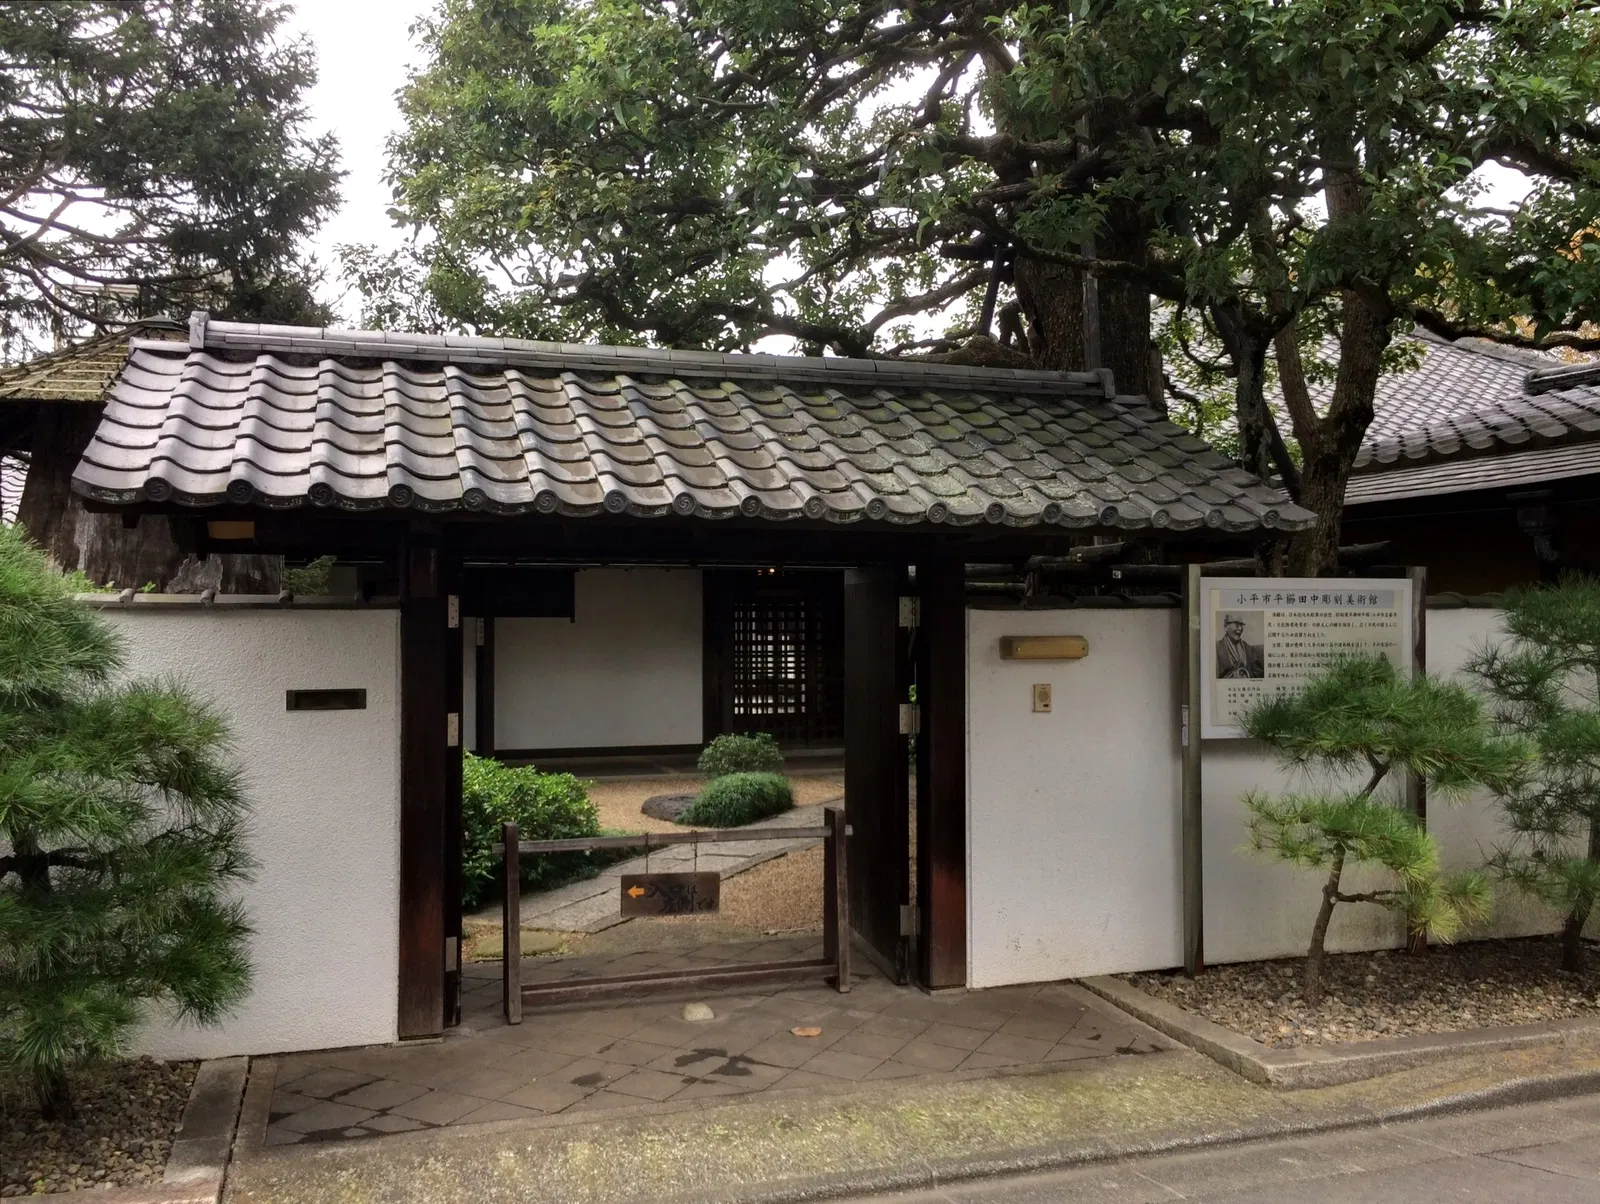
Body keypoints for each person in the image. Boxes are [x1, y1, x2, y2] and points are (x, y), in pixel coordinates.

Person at [1216, 612, 1264, 679]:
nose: (1240, 628)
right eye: (1237, 625)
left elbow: (1259, 672)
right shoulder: (1216, 648)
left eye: (1241, 625)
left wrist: (1246, 674)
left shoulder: (1248, 648)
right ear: (1225, 627)